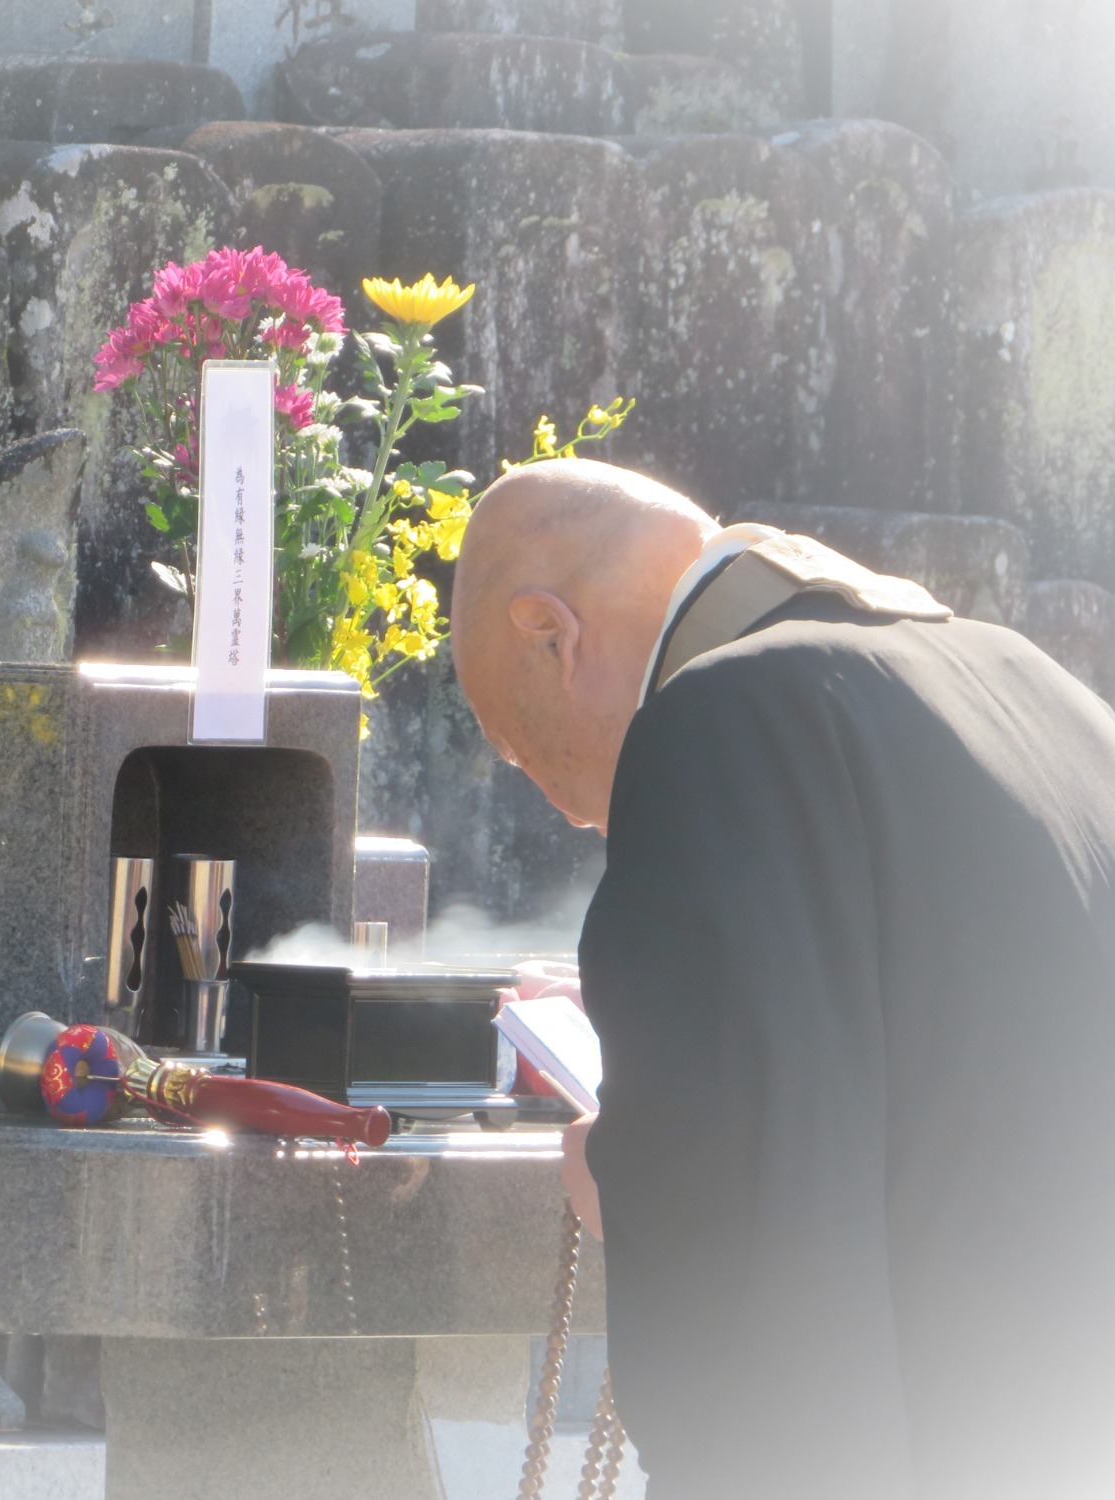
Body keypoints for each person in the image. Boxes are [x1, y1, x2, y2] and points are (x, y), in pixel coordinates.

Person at [449, 458, 1115, 1499]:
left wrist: (620, 1170)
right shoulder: (1037, 688)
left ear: (549, 632)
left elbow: (748, 1191)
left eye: (524, 752)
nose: (571, 812)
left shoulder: (719, 720)